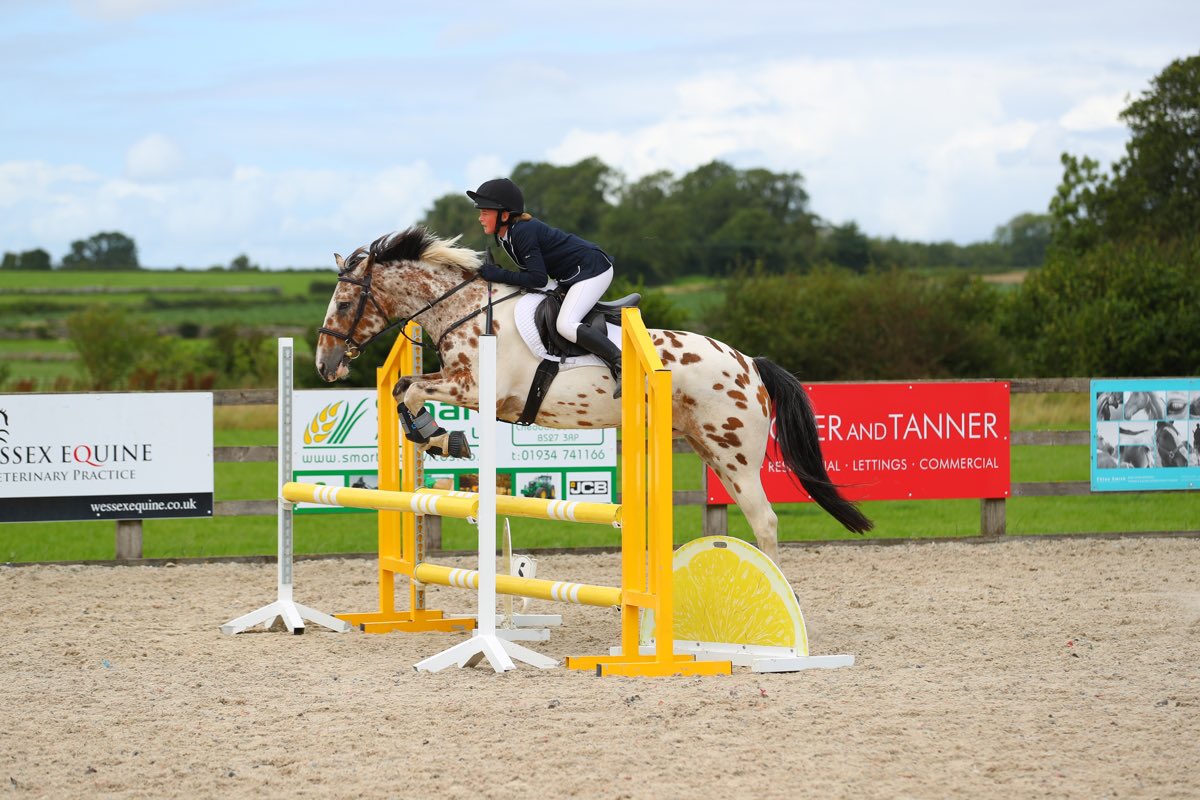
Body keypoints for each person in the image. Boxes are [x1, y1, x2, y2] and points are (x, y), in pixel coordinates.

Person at [467, 177, 623, 396]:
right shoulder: (505, 237)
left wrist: (499, 274)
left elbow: (538, 279)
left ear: (504, 215)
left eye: (485, 212)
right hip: (570, 275)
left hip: (592, 270)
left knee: (566, 324)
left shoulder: (522, 232)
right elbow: (532, 277)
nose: (480, 218)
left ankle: (621, 362)